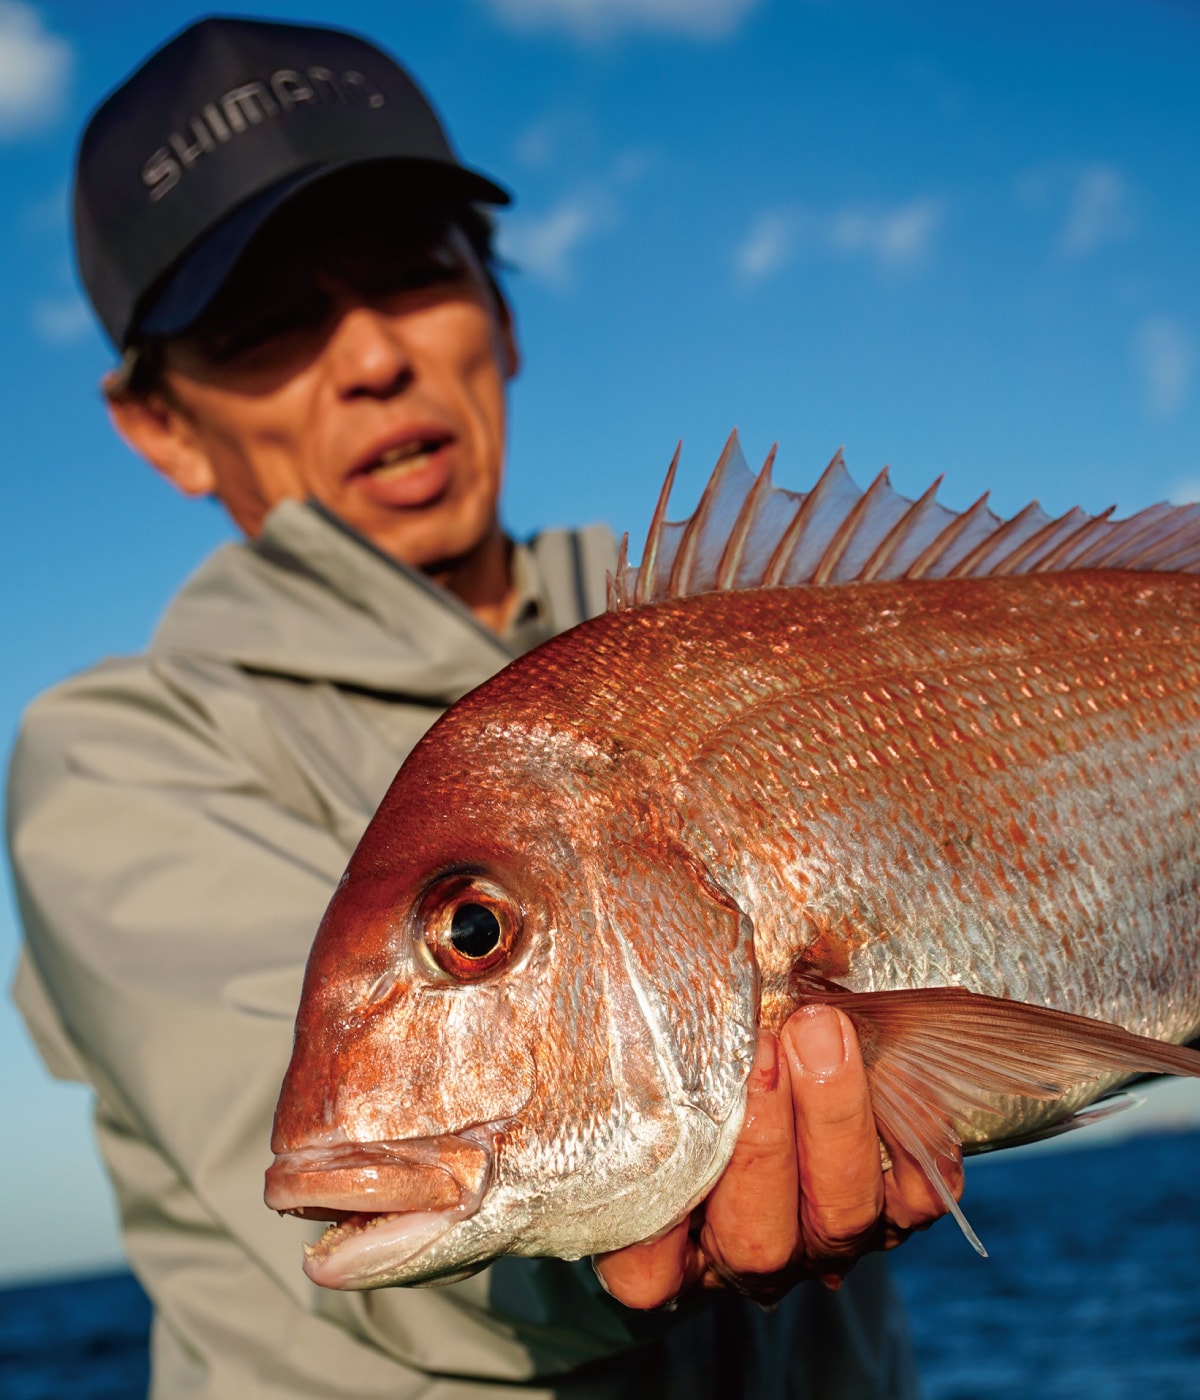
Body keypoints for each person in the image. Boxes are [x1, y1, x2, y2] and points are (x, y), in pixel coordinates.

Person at [8, 16, 951, 1399]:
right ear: (163, 427)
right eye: (266, 322)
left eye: (412, 274)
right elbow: (389, 1243)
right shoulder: (116, 762)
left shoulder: (708, 639)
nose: (374, 357)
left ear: (499, 313)